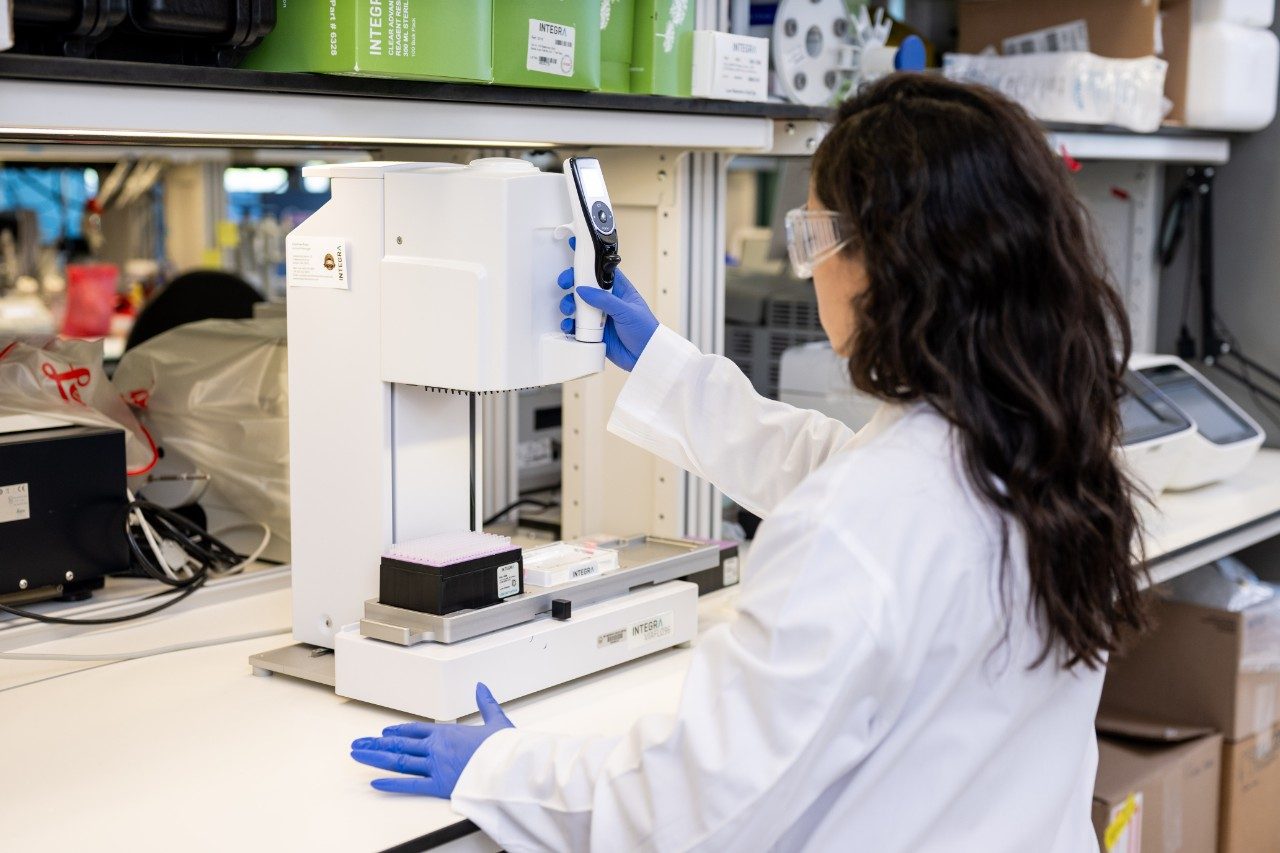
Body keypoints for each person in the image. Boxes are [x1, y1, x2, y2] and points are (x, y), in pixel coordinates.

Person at [348, 74, 1146, 851]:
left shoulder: (870, 517)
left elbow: (687, 810)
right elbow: (844, 474)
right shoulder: (1054, 454)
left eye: (813, 238)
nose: (812, 272)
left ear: (887, 263)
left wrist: (503, 765)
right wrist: (664, 365)